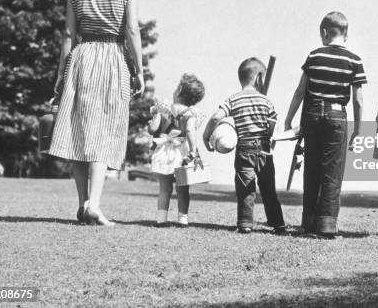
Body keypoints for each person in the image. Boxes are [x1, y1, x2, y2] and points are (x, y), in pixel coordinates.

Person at [47, 0, 144, 226]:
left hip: (82, 56)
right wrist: (139, 69)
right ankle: (95, 205)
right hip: (112, 56)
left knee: (78, 129)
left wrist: (60, 73)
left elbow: (67, 34)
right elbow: (132, 30)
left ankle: (82, 204)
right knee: (104, 128)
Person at [284, 12, 366, 239]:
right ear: (346, 34)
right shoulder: (355, 60)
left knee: (311, 168)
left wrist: (288, 119)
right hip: (337, 115)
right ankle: (327, 225)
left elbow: (301, 91)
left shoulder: (314, 55)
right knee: (332, 171)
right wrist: (358, 130)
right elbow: (358, 100)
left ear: (323, 32)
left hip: (312, 115)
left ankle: (309, 223)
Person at [203, 58, 285, 234]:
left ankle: (245, 223)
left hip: (244, 148)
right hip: (264, 148)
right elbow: (273, 124)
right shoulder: (266, 101)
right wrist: (271, 140)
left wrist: (206, 135)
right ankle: (277, 223)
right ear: (260, 78)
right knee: (268, 187)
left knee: (245, 186)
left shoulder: (233, 99)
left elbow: (217, 117)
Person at [149, 74, 205, 227]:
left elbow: (152, 129)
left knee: (164, 188)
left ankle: (161, 219)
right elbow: (190, 132)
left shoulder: (164, 109)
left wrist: (155, 116)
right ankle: (183, 219)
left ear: (179, 90)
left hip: (165, 151)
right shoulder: (191, 114)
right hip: (181, 151)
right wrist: (193, 151)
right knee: (183, 188)